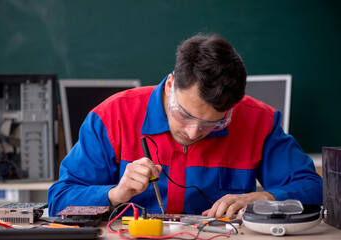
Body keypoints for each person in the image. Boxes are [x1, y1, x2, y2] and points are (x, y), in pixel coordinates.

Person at [48, 33, 322, 218]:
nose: (193, 133)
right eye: (185, 115)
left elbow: (315, 189)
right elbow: (59, 199)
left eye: (213, 123)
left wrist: (264, 198)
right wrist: (114, 194)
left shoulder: (257, 121)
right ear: (170, 85)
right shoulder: (112, 116)